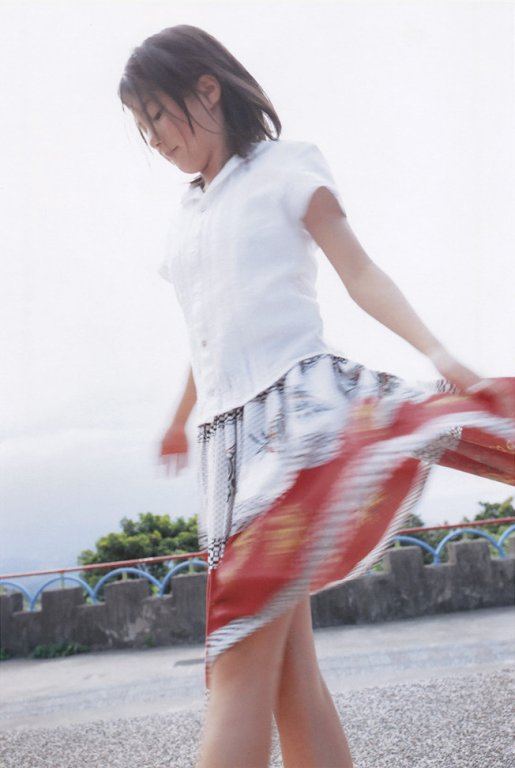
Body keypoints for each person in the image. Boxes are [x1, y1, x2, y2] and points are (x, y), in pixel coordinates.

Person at [119, 24, 515, 768]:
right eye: (141, 127)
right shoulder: (187, 217)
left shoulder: (285, 166)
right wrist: (178, 420)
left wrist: (440, 356)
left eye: (157, 115)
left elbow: (358, 272)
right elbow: (208, 331)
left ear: (207, 89)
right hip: (225, 452)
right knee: (287, 678)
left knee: (237, 667)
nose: (153, 139)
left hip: (296, 430)